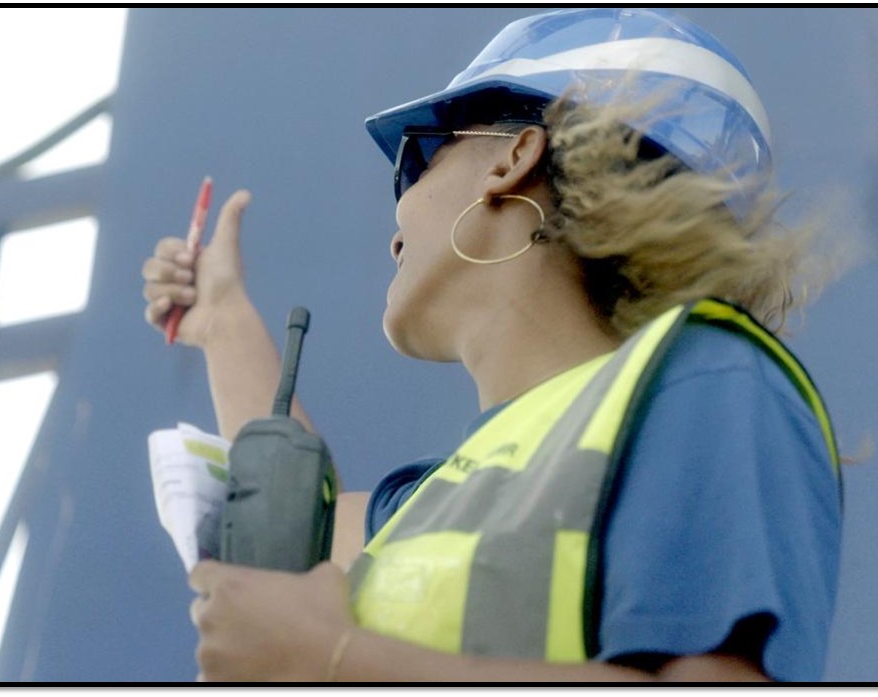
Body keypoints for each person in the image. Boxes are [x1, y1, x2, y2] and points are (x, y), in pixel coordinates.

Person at [142, 8, 841, 683]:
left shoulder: (706, 378)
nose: (396, 220)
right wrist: (221, 320)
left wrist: (335, 662)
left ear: (513, 156)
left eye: (416, 161)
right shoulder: (447, 497)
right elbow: (294, 518)